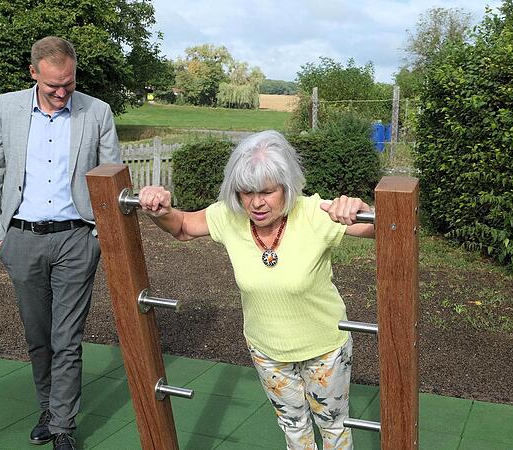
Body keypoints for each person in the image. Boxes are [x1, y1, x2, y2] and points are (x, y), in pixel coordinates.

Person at [138, 130, 374, 450]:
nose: (257, 203)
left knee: (333, 426)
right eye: (246, 192)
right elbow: (181, 227)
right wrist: (160, 209)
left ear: (287, 187)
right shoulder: (229, 215)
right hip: (267, 351)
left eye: (267, 191)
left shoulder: (315, 213)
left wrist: (361, 208)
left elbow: (383, 227)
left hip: (324, 349)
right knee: (293, 427)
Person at [0, 36, 121, 450]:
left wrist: (98, 236)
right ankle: (48, 406)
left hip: (77, 240)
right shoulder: (6, 108)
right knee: (38, 336)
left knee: (67, 338)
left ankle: (62, 426)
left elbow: (111, 176)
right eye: (52, 85)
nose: (61, 93)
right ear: (34, 74)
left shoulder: (98, 112)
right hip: (20, 239)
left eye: (69, 84)